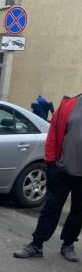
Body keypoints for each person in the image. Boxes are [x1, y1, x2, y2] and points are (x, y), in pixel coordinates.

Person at [14, 94, 82, 262]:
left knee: (79, 212)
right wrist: (50, 162)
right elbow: (53, 133)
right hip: (62, 168)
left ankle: (68, 244)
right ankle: (36, 245)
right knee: (51, 207)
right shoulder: (69, 104)